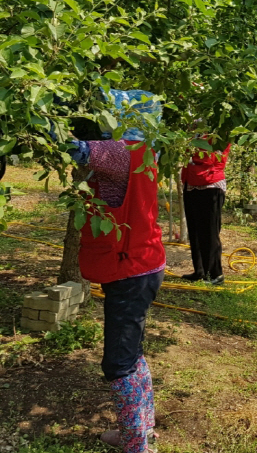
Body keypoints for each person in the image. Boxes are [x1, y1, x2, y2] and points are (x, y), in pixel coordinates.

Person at [70, 89, 165, 453]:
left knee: (118, 364)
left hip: (130, 269)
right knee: (133, 352)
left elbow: (75, 150)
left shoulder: (121, 152)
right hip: (140, 263)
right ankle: (141, 429)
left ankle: (135, 445)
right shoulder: (146, 151)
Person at [181, 136, 231, 284]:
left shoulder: (219, 133)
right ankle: (200, 270)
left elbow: (208, 158)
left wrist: (191, 150)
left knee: (209, 231)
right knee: (195, 229)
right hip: (191, 182)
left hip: (210, 184)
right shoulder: (195, 131)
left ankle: (215, 274)